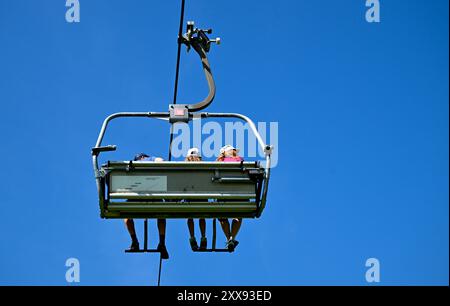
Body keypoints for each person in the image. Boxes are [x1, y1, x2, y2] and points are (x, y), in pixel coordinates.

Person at [124, 153, 169, 259]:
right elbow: (161, 161)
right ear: (143, 157)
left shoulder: (132, 165)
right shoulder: (151, 159)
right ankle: (162, 242)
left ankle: (134, 241)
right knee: (161, 214)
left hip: (137, 198)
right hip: (153, 196)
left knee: (125, 214)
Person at [217, 145, 244, 251]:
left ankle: (229, 238)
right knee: (239, 215)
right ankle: (232, 237)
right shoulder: (240, 161)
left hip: (224, 196)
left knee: (222, 216)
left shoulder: (219, 163)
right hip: (240, 196)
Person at [185, 148, 207, 251]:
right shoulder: (204, 167)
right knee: (201, 216)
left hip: (189, 196)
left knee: (190, 217)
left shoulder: (183, 167)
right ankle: (203, 236)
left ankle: (192, 237)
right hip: (201, 195)